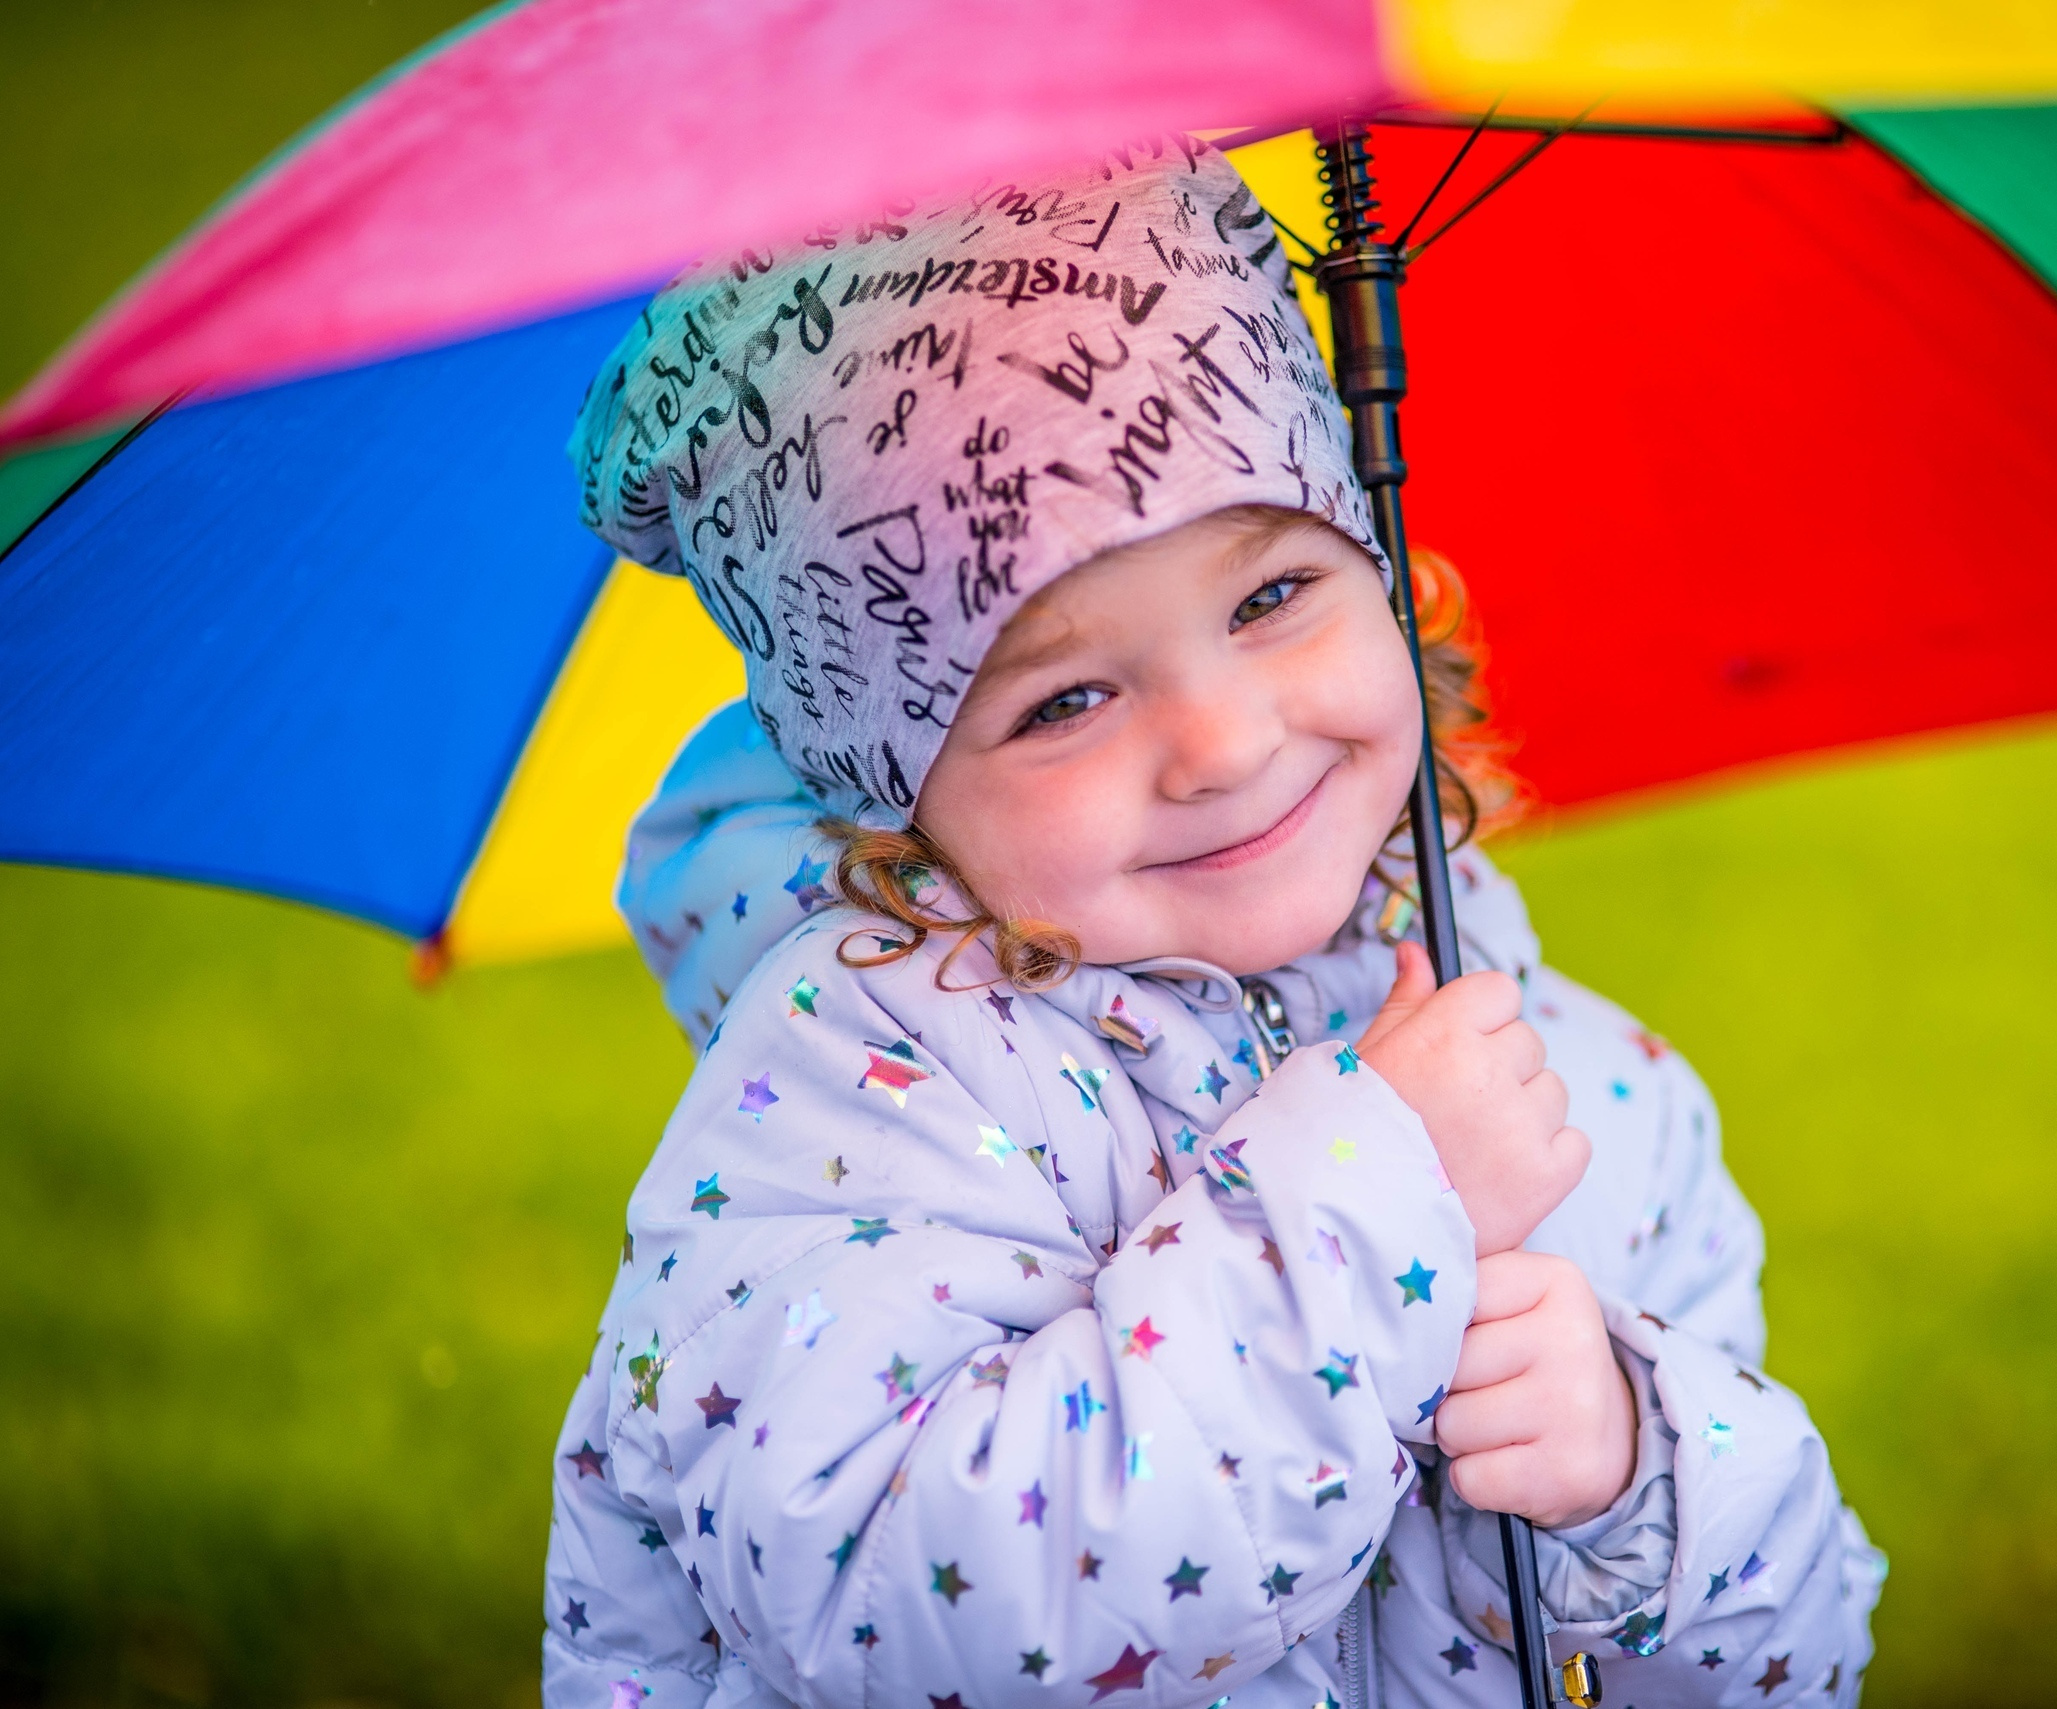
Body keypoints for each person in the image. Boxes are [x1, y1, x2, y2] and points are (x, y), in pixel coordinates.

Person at [544, 139, 1882, 1709]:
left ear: (1382, 566)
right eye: (1067, 698)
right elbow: (901, 1615)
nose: (1227, 742)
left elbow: (1803, 1659)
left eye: (1268, 600)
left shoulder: (1589, 1092)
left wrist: (1644, 1474)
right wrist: (1377, 1202)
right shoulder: (855, 1101)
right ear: (899, 790)